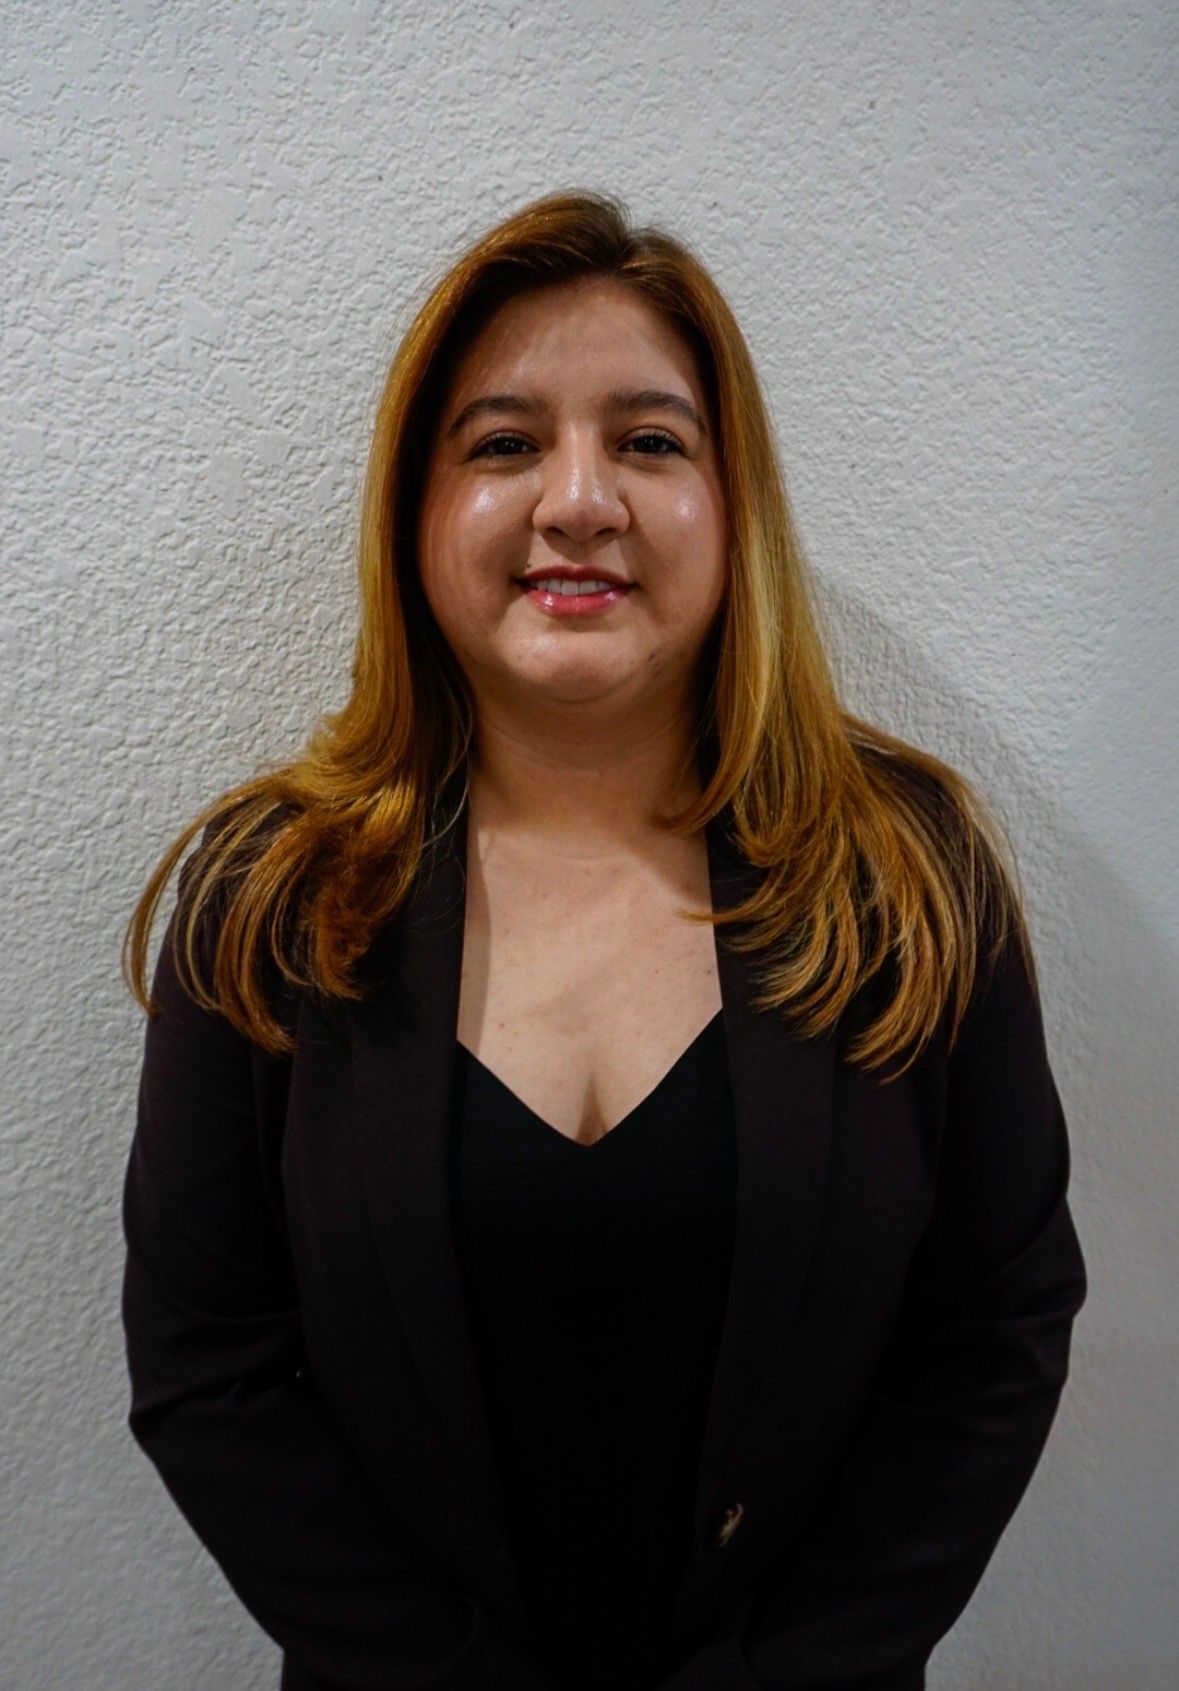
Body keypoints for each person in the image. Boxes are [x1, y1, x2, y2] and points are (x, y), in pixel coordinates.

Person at [120, 189, 1088, 1691]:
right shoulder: (274, 900)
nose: (579, 500)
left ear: (732, 500)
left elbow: (995, 1329)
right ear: (414, 510)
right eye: (503, 444)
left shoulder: (907, 874)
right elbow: (208, 1365)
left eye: (649, 440)